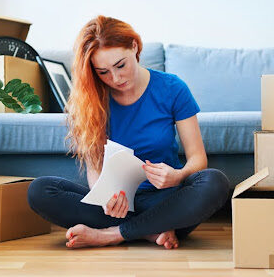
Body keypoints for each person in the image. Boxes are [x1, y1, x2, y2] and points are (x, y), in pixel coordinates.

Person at [27, 15, 230, 250]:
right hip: (120, 208)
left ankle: (111, 235)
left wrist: (178, 175)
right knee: (40, 190)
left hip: (166, 201)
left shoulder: (172, 88)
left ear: (134, 46)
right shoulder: (92, 99)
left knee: (215, 182)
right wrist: (108, 198)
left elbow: (198, 158)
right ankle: (149, 232)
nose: (115, 78)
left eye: (120, 65)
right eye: (103, 72)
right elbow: (95, 169)